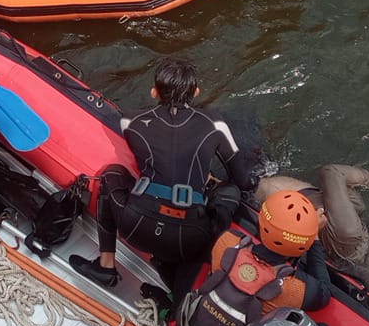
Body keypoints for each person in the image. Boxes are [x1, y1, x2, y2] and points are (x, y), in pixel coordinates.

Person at [70, 57, 260, 300]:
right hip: (190, 241)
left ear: (154, 92)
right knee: (230, 192)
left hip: (136, 227)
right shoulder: (214, 123)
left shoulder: (130, 120)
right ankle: (192, 277)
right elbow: (243, 179)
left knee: (112, 174)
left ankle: (106, 265)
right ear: (196, 91)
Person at [170, 190, 333, 326]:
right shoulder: (291, 289)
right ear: (304, 244)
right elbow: (324, 290)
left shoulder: (227, 241)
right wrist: (315, 238)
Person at [258, 165, 369, 308]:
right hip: (323, 240)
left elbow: (331, 171)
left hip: (291, 204)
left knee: (268, 186)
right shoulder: (355, 272)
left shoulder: (349, 232)